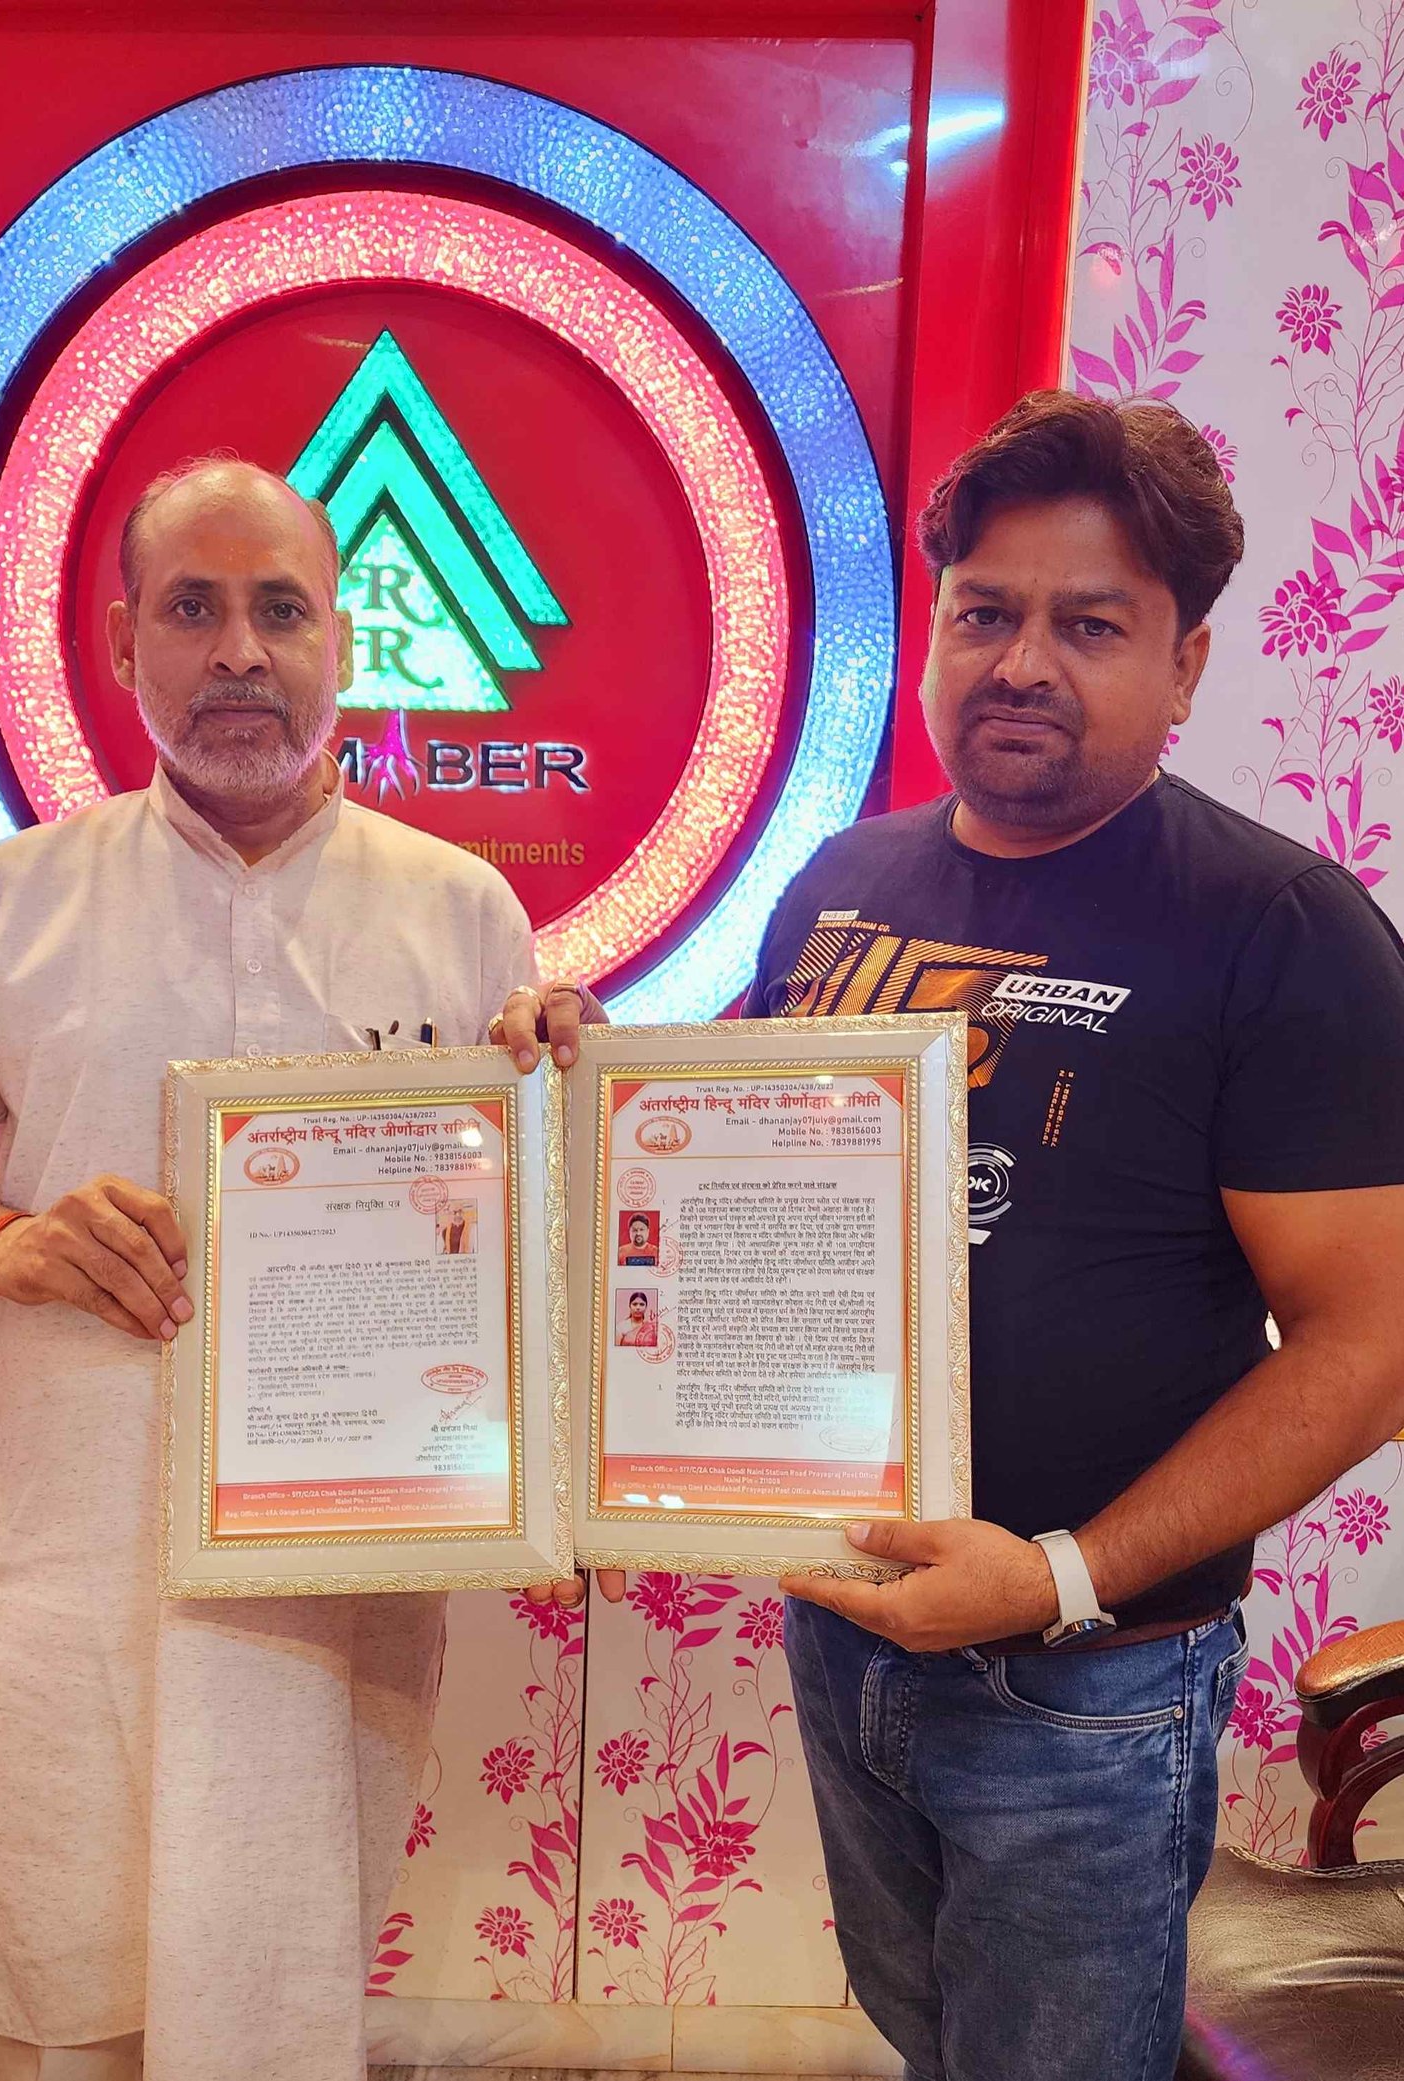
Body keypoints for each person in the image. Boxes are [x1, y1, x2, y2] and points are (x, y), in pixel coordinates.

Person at [0, 459, 593, 2081]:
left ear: (342, 646)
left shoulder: (461, 911)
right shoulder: (5, 903)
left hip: (338, 1597)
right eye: (192, 607)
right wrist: (10, 1242)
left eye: (281, 608)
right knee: (74, 2015)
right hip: (82, 1572)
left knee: (284, 2008)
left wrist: (581, 1094)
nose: (240, 650)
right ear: (122, 642)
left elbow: (525, 1232)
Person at [744, 393, 1404, 2081]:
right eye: (986, 611)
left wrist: (1058, 1573)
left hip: (1088, 1685)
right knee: (932, 2039)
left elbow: (1372, 1344)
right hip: (850, 1633)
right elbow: (720, 1194)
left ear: (1186, 664)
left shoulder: (1281, 929)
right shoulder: (839, 886)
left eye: (1090, 625)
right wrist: (558, 1083)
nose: (1022, 661)